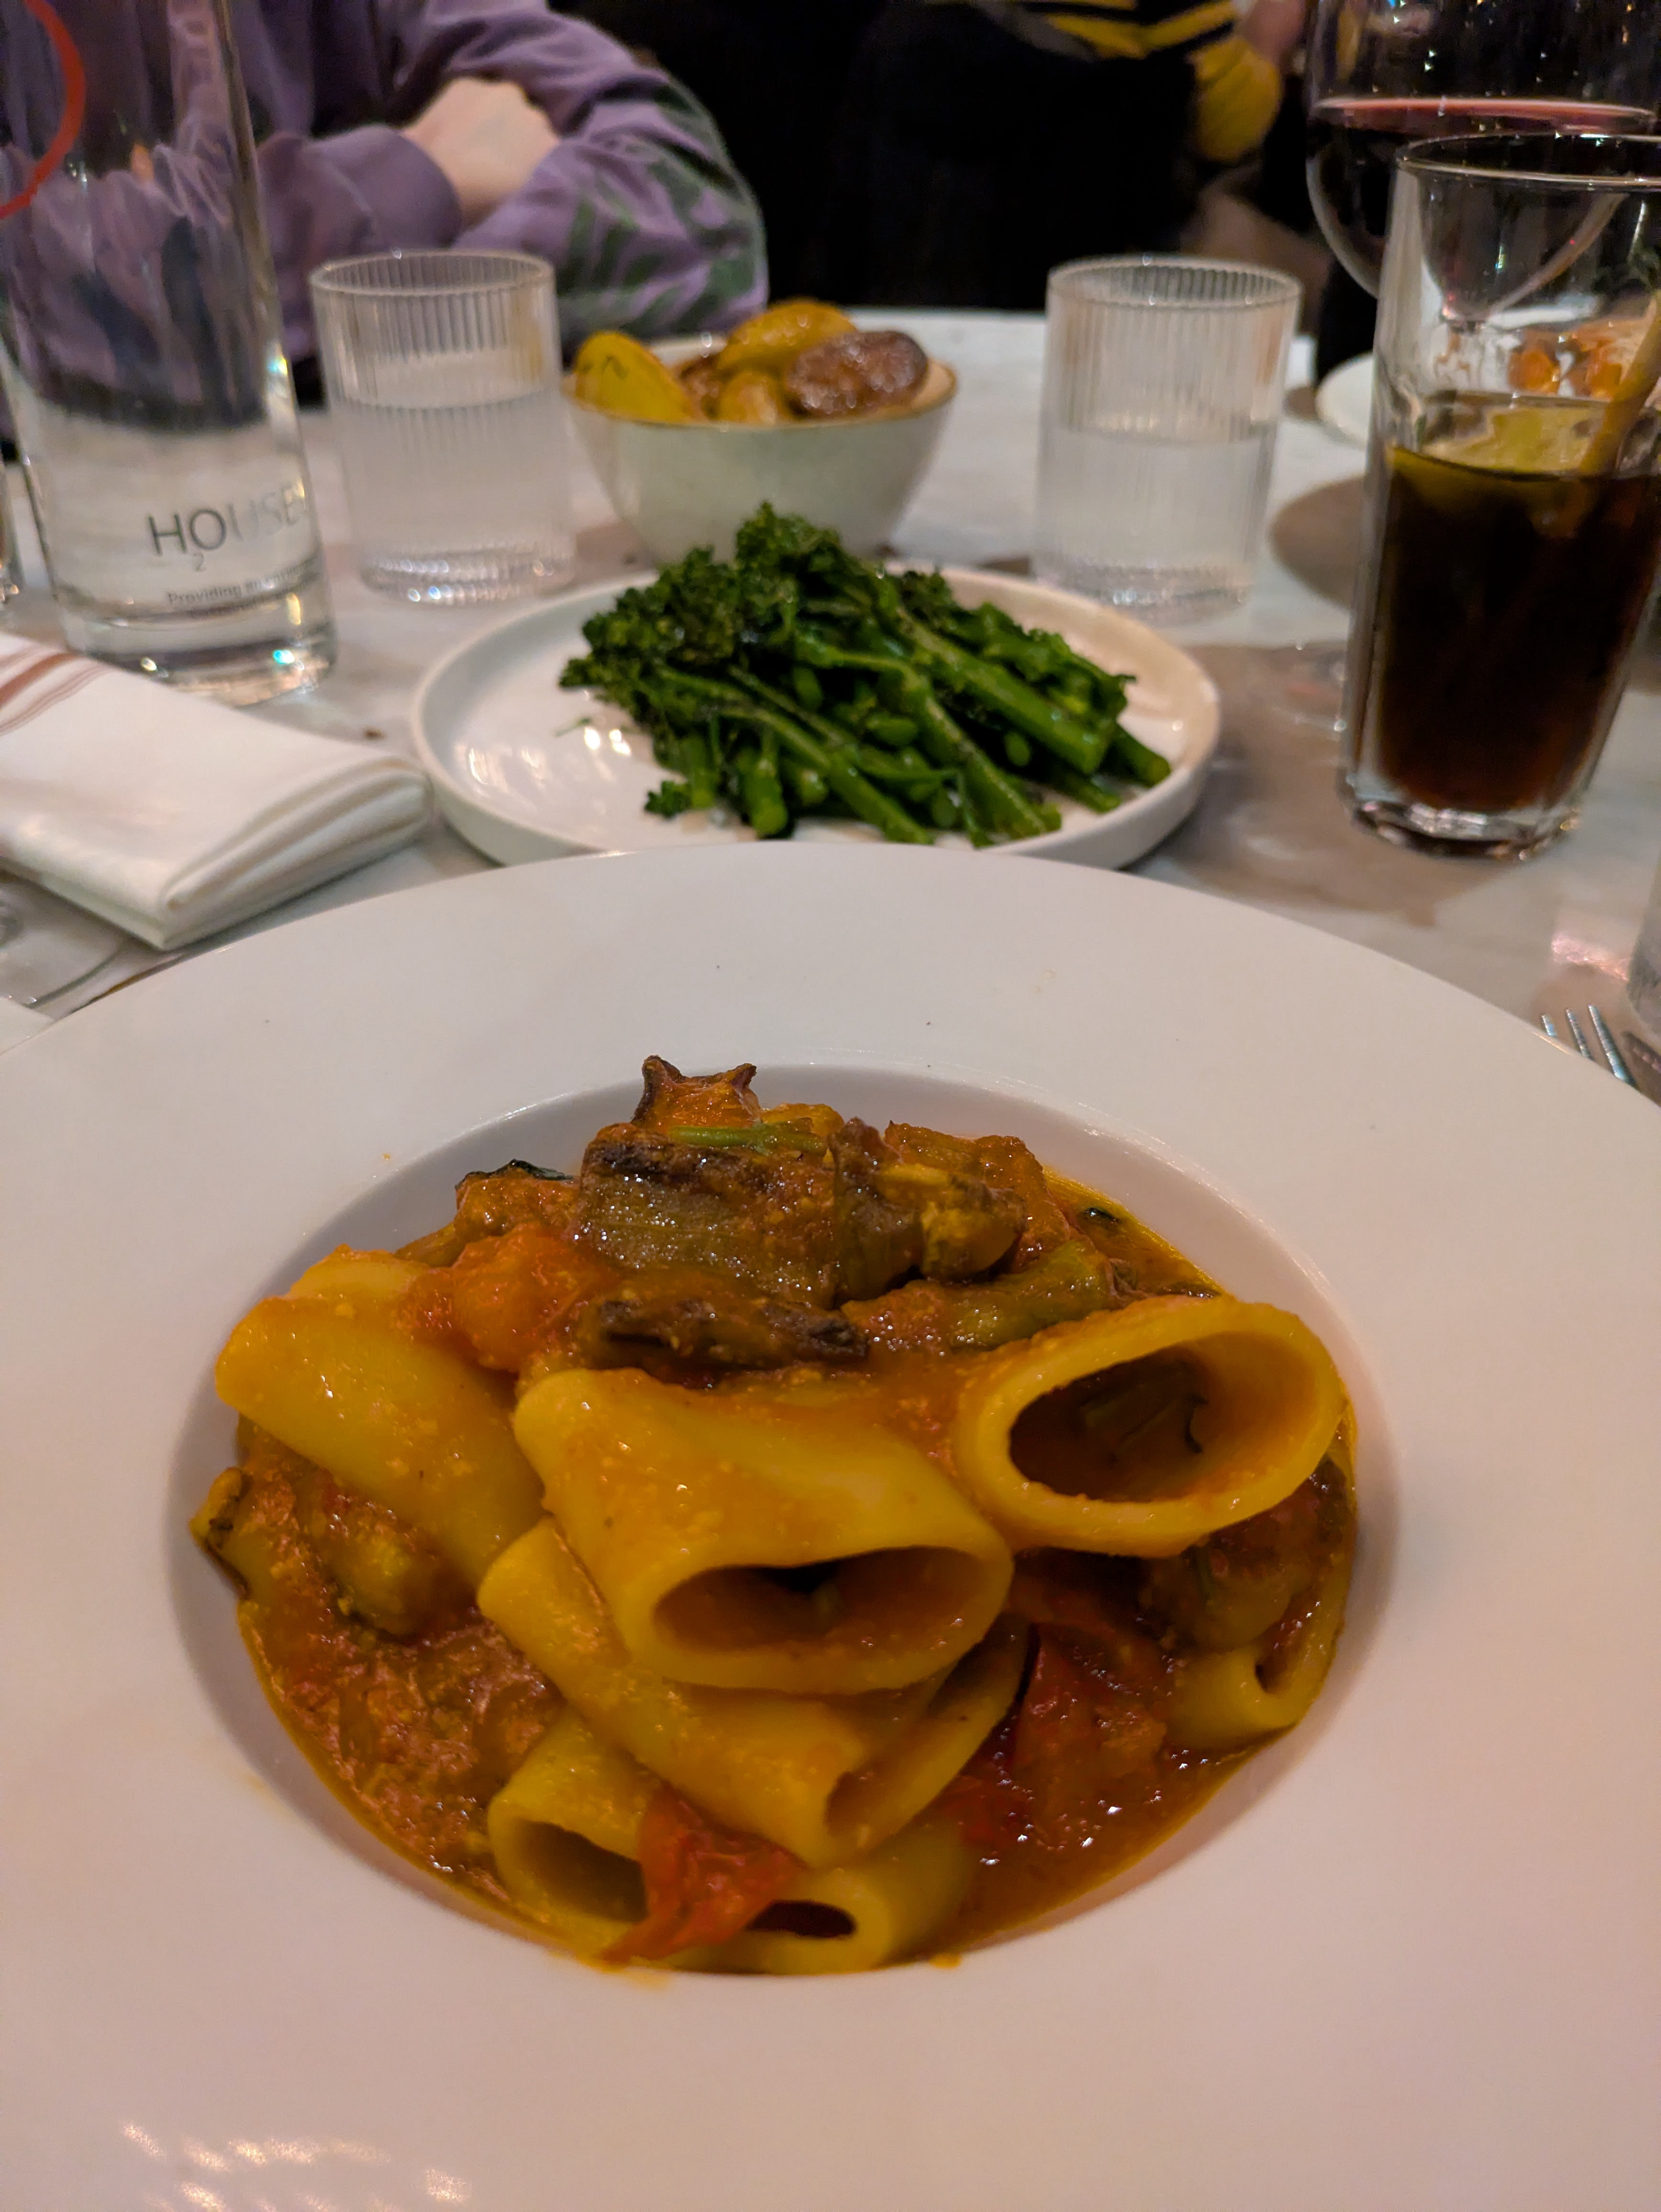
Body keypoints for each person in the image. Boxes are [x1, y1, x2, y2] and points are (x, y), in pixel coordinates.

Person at [813, 0, 1306, 310]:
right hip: (1089, 271)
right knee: (1307, 288)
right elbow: (1227, 130)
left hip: (903, 258)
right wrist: (1270, 38)